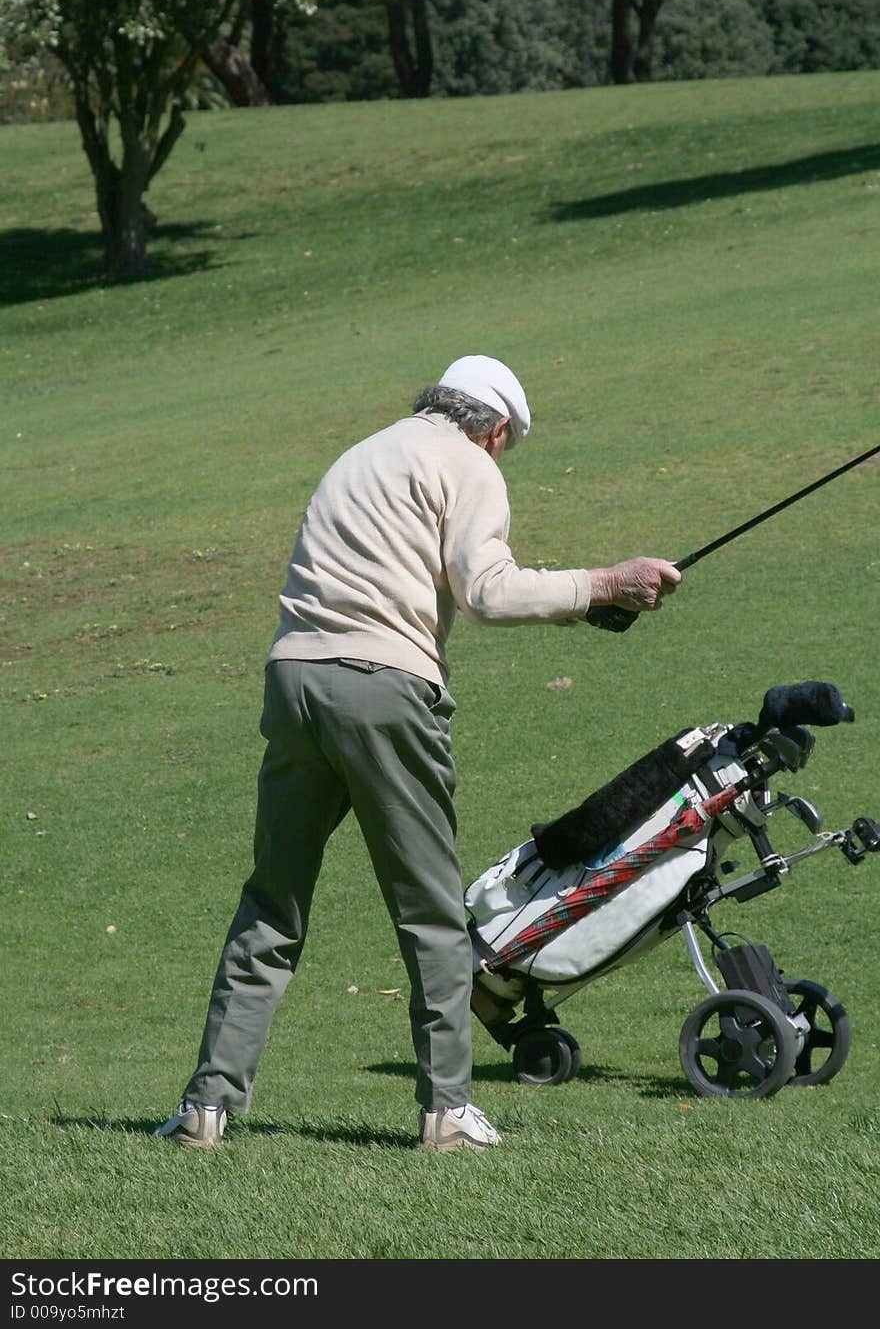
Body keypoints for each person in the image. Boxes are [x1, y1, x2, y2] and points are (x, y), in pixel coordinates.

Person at [155, 355, 681, 1152]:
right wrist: (607, 582)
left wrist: (585, 607)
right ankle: (447, 1112)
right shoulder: (468, 462)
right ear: (496, 430)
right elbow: (488, 592)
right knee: (433, 914)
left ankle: (206, 1108)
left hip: (293, 681)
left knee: (272, 902)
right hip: (384, 690)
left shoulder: (364, 453)